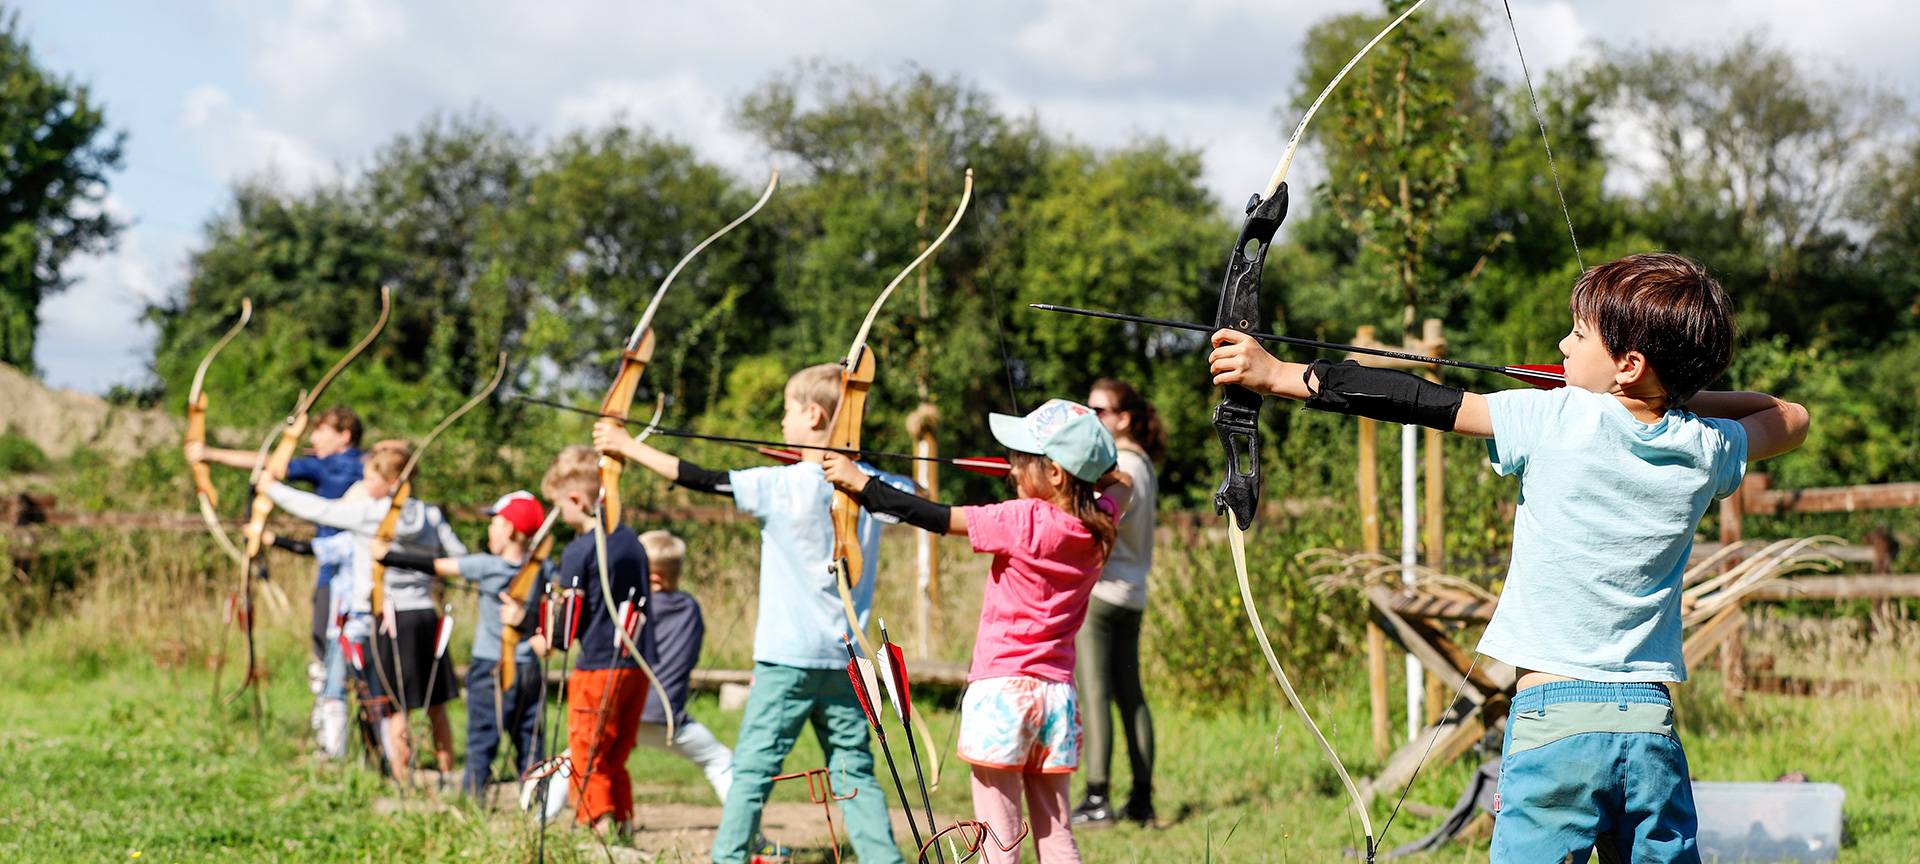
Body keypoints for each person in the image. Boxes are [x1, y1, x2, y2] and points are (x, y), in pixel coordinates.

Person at [1207, 252, 1810, 862]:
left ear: (1628, 363)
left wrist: (1279, 375)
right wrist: (1665, 398)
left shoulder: (1552, 416)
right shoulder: (1706, 447)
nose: (1562, 343)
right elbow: (1790, 417)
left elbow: (1420, 401)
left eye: (1578, 334)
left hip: (1555, 724)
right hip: (1649, 726)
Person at [593, 363, 910, 864]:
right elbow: (916, 495)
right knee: (853, 769)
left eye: (788, 411)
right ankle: (882, 859)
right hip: (848, 660)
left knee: (754, 769)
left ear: (813, 414)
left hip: (787, 660)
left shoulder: (782, 486)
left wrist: (626, 445)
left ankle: (730, 856)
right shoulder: (878, 487)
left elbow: (703, 478)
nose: (781, 422)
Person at [822, 398, 1128, 864]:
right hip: (1056, 701)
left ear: (1057, 474)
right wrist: (1080, 475)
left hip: (1003, 694)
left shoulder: (1021, 519)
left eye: (1022, 462)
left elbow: (931, 515)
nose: (1011, 470)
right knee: (1056, 832)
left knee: (997, 836)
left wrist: (861, 483)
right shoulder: (1100, 523)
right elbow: (1120, 483)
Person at [260, 441, 466, 788]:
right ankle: (446, 778)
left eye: (371, 476)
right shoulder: (430, 515)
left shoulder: (376, 513)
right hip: (427, 615)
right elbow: (458, 558)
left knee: (396, 707)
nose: (365, 483)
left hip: (391, 619)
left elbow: (320, 510)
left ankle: (404, 786)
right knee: (436, 704)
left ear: (391, 480)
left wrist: (271, 488)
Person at [187, 405, 364, 755]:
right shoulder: (369, 466)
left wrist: (208, 454)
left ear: (344, 436)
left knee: (327, 651)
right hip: (365, 571)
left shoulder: (332, 465)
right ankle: (346, 739)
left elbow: (271, 465)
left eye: (322, 431)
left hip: (337, 572)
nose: (313, 438)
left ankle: (331, 743)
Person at [372, 490, 552, 799]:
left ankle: (473, 802)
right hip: (530, 669)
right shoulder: (543, 568)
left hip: (491, 667)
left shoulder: (488, 565)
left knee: (482, 739)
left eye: (493, 523)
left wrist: (386, 556)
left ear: (508, 529)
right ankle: (537, 805)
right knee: (531, 741)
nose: (489, 529)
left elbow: (436, 565)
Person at [539, 445, 656, 839]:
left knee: (587, 748)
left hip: (599, 665)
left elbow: (568, 620)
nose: (561, 516)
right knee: (616, 751)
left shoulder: (580, 549)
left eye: (560, 507)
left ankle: (595, 827)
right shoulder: (630, 541)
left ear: (577, 498)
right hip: (637, 663)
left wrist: (548, 640)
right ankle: (623, 822)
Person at [1071, 379, 1163, 827]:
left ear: (1122, 419)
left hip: (1104, 596)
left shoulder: (1123, 465)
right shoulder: (1142, 464)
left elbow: (1097, 522)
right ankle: (1141, 800)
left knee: (1095, 696)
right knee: (1131, 697)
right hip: (1133, 594)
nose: (1092, 418)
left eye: (1099, 411)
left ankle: (1097, 798)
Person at [628, 529, 739, 801]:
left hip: (627, 710)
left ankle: (537, 819)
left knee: (577, 759)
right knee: (721, 760)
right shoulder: (690, 607)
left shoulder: (632, 608)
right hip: (666, 716)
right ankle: (749, 835)